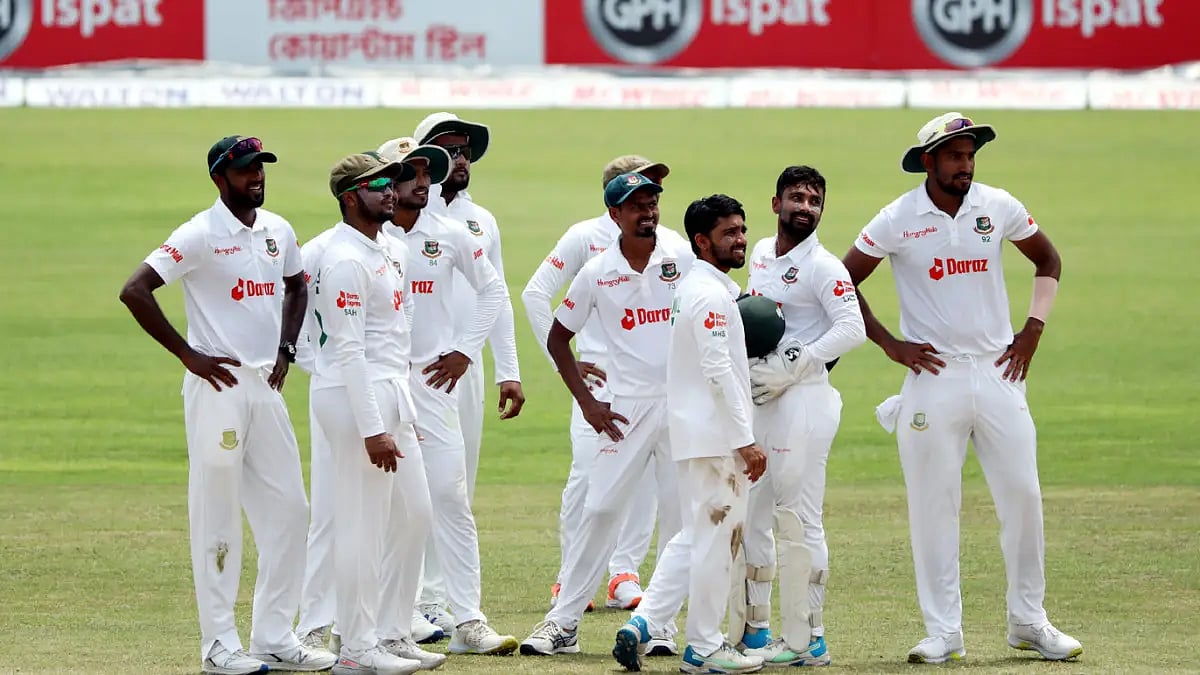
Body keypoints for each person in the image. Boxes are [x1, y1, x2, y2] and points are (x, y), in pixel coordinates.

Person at [840, 112, 1081, 664]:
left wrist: (1033, 331)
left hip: (999, 372)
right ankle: (943, 632)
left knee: (1023, 497)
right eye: (954, 157)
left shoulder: (997, 206)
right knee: (933, 507)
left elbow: (1048, 258)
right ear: (929, 161)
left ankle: (1028, 621)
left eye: (970, 156)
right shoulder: (898, 217)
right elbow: (843, 278)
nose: (965, 166)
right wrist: (888, 344)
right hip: (933, 376)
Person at [118, 135, 335, 674]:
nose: (256, 177)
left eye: (260, 167)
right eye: (244, 170)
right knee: (217, 518)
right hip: (216, 387)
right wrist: (189, 355)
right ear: (220, 179)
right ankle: (218, 645)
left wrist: (286, 348)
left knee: (290, 512)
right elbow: (135, 290)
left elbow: (297, 286)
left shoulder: (277, 229)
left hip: (266, 386)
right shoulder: (199, 233)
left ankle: (273, 636)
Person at [519, 172, 692, 656]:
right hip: (625, 409)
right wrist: (586, 401)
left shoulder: (680, 260)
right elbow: (558, 338)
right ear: (614, 215)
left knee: (679, 518)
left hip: (679, 406)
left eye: (652, 203)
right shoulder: (597, 271)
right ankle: (564, 624)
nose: (648, 213)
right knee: (598, 510)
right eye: (636, 205)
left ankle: (660, 625)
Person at [611, 194, 767, 675]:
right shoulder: (710, 294)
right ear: (702, 241)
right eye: (729, 233)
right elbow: (718, 368)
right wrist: (745, 439)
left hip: (698, 436)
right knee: (719, 545)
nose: (740, 240)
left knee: (694, 536)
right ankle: (704, 648)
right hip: (718, 441)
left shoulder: (699, 288)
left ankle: (644, 622)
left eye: (742, 230)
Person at [377, 137, 519, 656]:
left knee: (451, 496)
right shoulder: (368, 236)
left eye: (426, 172)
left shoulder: (451, 233)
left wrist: (464, 350)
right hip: (380, 383)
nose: (422, 180)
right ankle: (394, 616)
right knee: (388, 502)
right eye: (410, 172)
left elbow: (494, 291)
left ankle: (469, 620)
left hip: (433, 383)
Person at [311, 152, 446, 675]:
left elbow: (402, 318)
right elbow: (349, 352)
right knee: (362, 526)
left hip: (391, 390)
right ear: (350, 198)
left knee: (415, 514)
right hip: (352, 396)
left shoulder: (390, 246)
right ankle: (355, 649)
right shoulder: (344, 258)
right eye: (377, 186)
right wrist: (373, 428)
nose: (392, 191)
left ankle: (391, 632)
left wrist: (402, 409)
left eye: (391, 183)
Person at [731, 166, 867, 667]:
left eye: (814, 200)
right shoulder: (764, 253)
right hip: (763, 399)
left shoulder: (825, 267)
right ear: (776, 204)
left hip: (806, 399)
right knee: (756, 515)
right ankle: (760, 633)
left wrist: (796, 364)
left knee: (801, 518)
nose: (805, 207)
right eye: (797, 198)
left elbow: (852, 329)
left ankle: (811, 638)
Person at [409, 112, 524, 630]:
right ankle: (412, 601)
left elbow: (496, 299)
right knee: (412, 486)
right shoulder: (402, 209)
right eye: (447, 149)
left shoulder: (483, 221)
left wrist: (509, 370)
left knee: (456, 486)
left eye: (464, 150)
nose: (459, 159)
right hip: (410, 369)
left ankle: (436, 598)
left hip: (465, 368)